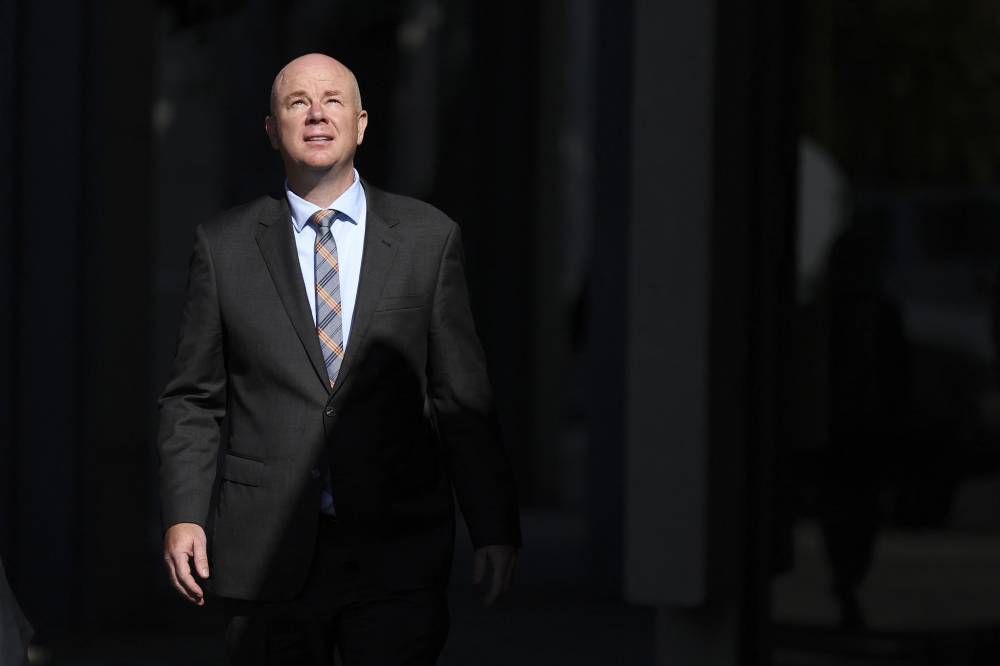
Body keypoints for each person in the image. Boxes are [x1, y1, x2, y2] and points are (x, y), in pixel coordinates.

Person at [157, 53, 521, 665]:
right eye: (297, 102)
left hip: (396, 548)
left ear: (361, 123)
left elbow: (459, 394)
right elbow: (193, 397)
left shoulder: (428, 239)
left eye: (333, 101)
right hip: (266, 551)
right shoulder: (223, 247)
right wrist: (185, 515)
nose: (317, 114)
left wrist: (493, 526)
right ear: (273, 129)